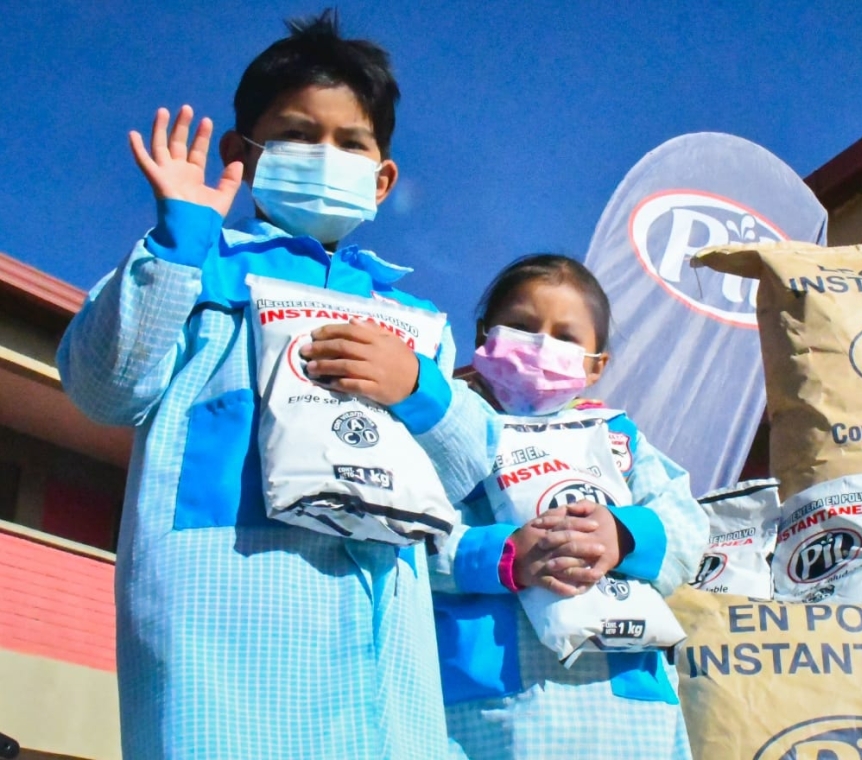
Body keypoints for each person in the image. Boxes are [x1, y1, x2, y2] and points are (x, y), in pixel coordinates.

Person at [57, 12, 492, 759]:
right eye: (296, 134)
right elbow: (104, 388)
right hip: (223, 652)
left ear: (383, 179)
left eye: (351, 142)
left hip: (386, 676)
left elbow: (468, 465)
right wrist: (179, 241)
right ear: (242, 153)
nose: (325, 155)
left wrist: (417, 383)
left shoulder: (413, 321)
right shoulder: (190, 273)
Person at [407, 254, 705, 759]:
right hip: (492, 715)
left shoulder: (618, 437)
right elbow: (407, 540)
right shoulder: (448, 430)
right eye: (522, 327)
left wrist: (624, 535)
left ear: (597, 365)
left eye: (566, 337)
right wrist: (501, 557)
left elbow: (687, 527)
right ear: (484, 336)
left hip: (626, 712)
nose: (542, 345)